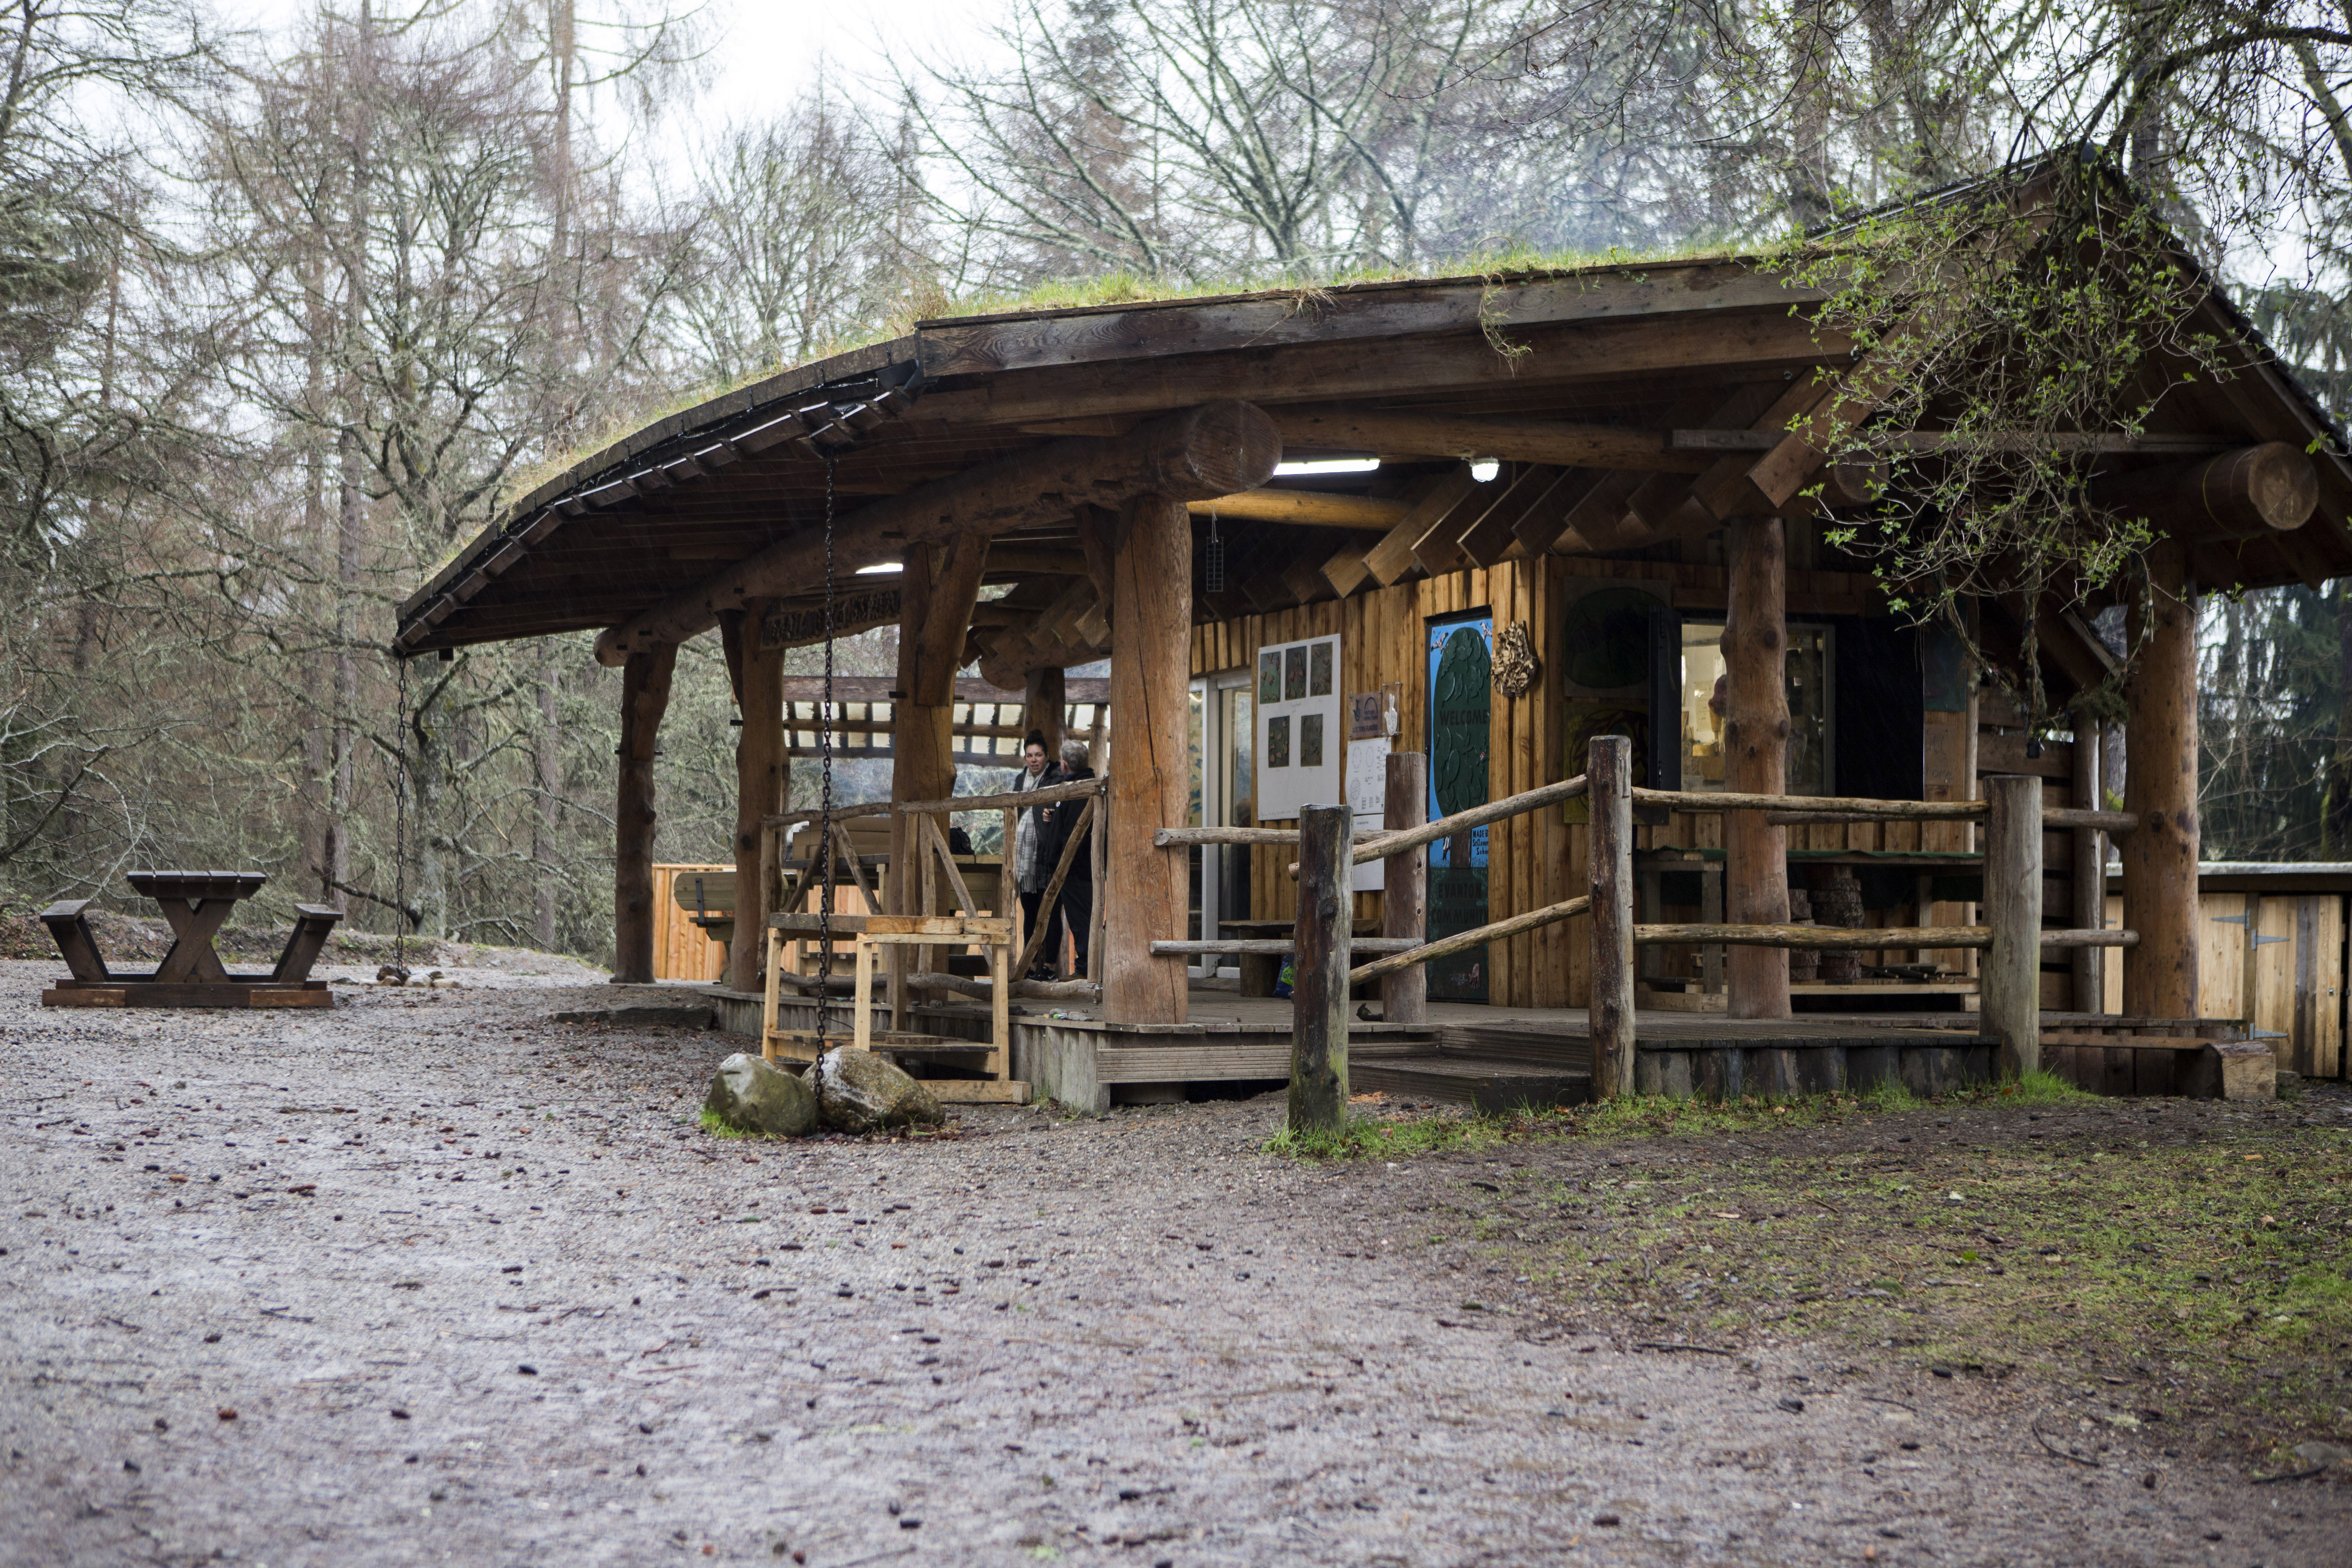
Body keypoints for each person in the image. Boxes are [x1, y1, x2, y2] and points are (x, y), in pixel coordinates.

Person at [1036, 739, 1096, 979]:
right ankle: (1086, 968)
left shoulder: (1077, 790)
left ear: (1063, 765)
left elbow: (1073, 833)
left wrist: (1058, 860)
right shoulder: (1078, 787)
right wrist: (1053, 818)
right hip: (1079, 865)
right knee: (1080, 919)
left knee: (1081, 920)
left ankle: (1086, 971)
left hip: (1075, 866)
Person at [1010, 731, 1062, 971]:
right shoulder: (1021, 781)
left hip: (1046, 855)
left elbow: (1063, 809)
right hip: (1024, 860)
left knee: (1049, 910)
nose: (1034, 760)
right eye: (1030, 755)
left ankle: (1050, 964)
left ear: (1047, 756)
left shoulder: (1056, 778)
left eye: (1038, 755)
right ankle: (1030, 964)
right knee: (1030, 911)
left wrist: (1052, 815)